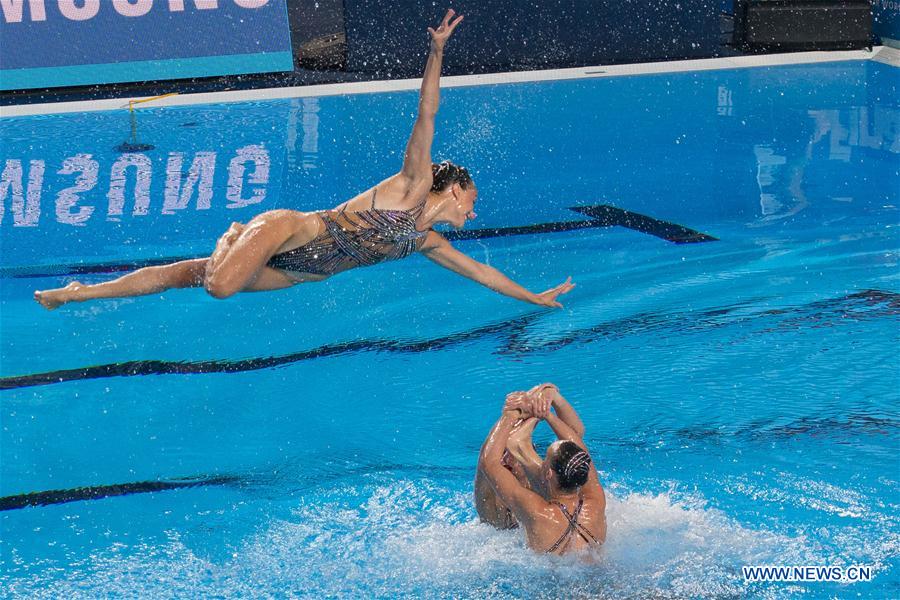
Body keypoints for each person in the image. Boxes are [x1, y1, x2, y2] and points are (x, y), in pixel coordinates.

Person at [34, 9, 575, 311]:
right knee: (219, 285)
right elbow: (427, 112)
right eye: (472, 201)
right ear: (453, 188)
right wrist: (436, 52)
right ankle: (232, 233)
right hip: (292, 231)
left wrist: (535, 298)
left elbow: (483, 273)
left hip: (300, 273)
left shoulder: (427, 241)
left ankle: (81, 293)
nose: (473, 214)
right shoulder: (413, 184)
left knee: (187, 276)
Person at [478, 384, 606, 555]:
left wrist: (510, 414)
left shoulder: (537, 511)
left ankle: (520, 444)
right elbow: (579, 451)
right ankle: (520, 444)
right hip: (597, 570)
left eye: (545, 459)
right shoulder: (596, 502)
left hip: (549, 570)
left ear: (548, 473)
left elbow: (489, 462)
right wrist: (547, 414)